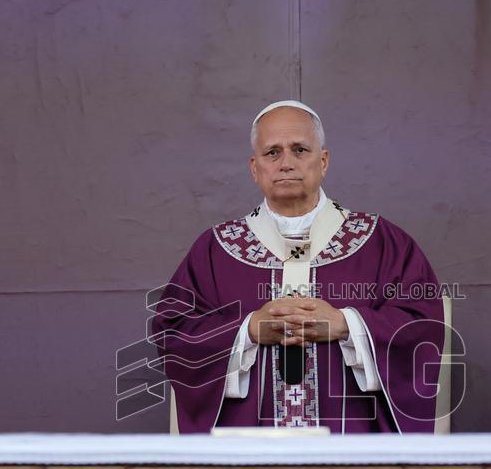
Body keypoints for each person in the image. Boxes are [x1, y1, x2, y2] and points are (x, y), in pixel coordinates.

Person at [153, 100, 444, 433]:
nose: (286, 163)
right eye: (272, 153)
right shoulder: (215, 249)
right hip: (249, 458)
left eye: (300, 149)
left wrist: (346, 325)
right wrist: (246, 331)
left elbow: (424, 326)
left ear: (323, 162)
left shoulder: (382, 242)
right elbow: (174, 332)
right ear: (254, 167)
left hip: (353, 456)